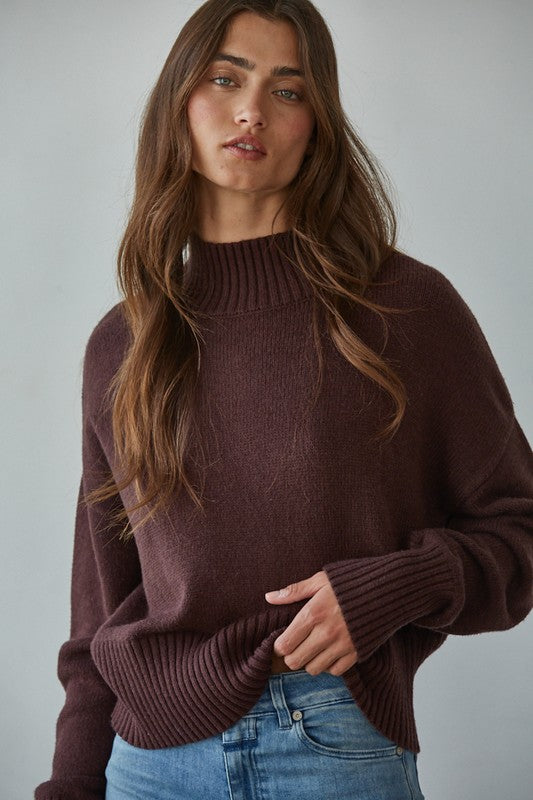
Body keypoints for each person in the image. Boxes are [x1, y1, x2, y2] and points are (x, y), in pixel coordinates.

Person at [35, 1, 533, 798]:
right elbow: (99, 614)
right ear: (177, 103)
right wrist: (70, 783)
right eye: (224, 79)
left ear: (316, 125)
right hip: (148, 763)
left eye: (287, 90)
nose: (251, 112)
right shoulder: (123, 343)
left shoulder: (404, 309)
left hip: (328, 741)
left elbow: (518, 531)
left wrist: (391, 588)